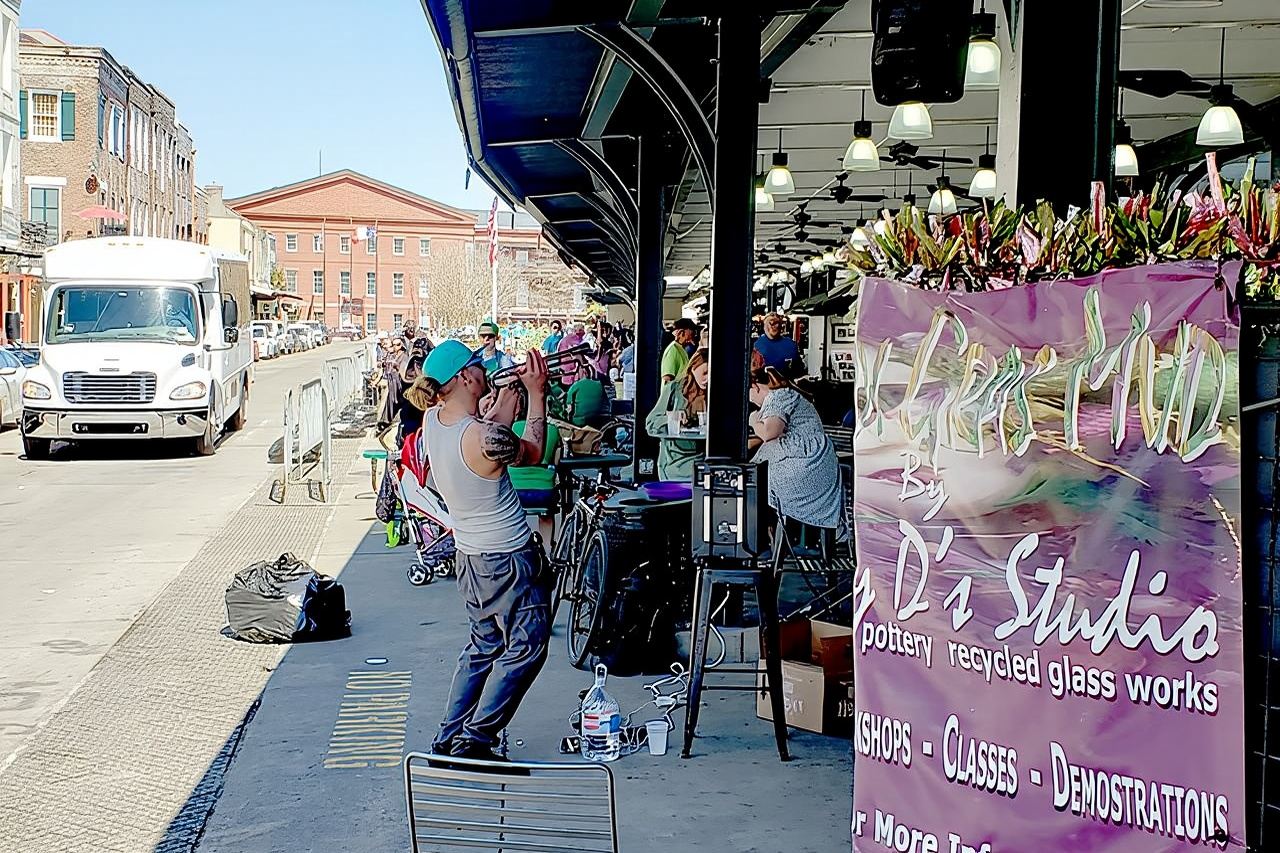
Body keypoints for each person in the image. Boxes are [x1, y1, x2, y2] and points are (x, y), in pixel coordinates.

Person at [419, 340, 552, 761]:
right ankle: (476, 740)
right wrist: (536, 394)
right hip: (509, 560)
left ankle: (448, 736)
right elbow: (534, 450)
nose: (484, 368)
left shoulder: (433, 420)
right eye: (478, 364)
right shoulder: (484, 436)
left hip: (471, 559)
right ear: (465, 376)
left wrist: (506, 398)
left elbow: (484, 433)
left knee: (483, 646)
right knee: (528, 648)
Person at [748, 366, 840, 531]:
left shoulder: (777, 396)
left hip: (804, 471)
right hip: (819, 468)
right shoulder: (789, 395)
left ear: (754, 386)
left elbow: (770, 433)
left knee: (752, 484)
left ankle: (767, 535)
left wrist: (753, 421)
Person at [645, 348, 708, 482]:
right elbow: (651, 423)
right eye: (705, 373)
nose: (707, 379)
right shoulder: (674, 389)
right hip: (674, 462)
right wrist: (671, 418)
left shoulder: (714, 394)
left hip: (703, 461)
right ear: (693, 368)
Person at [661, 318, 697, 384]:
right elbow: (667, 378)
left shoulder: (681, 349)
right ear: (681, 333)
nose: (692, 338)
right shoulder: (673, 349)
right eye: (692, 334)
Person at [556, 322, 586, 386]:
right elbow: (576, 353)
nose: (583, 332)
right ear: (575, 331)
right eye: (581, 330)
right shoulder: (574, 338)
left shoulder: (567, 338)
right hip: (569, 366)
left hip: (564, 366)